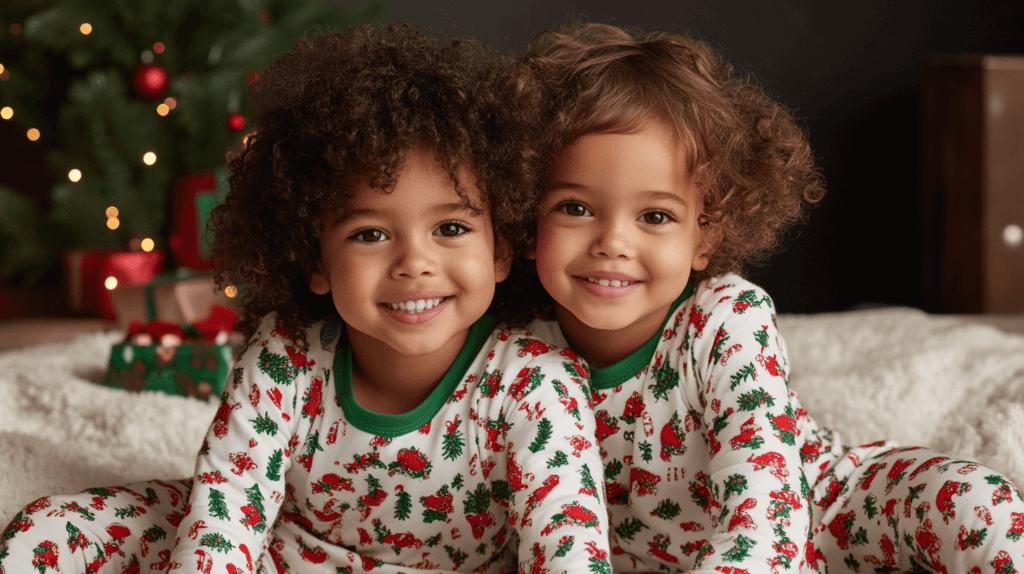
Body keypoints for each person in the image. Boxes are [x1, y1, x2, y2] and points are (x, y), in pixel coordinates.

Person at [0, 24, 612, 574]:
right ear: (316, 260)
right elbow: (228, 515)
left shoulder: (539, 384)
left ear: (502, 249)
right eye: (369, 234)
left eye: (450, 228)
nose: (414, 263)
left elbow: (567, 548)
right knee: (52, 527)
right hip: (284, 551)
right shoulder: (284, 359)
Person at [518, 22, 1024, 574]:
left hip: (819, 510)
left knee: (974, 499)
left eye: (655, 216)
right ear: (526, 214)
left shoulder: (727, 318)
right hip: (650, 557)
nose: (613, 243)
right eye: (575, 207)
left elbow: (767, 510)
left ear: (705, 234)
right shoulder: (513, 353)